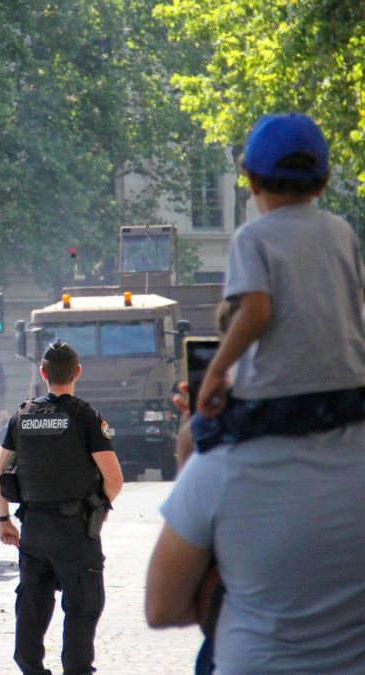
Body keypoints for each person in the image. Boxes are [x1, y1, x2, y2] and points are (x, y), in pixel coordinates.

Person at [146, 113, 365, 673]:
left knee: (196, 437)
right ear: (323, 179)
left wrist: (218, 372)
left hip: (276, 403)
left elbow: (258, 311)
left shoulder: (253, 237)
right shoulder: (341, 232)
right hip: (346, 392)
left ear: (249, 179)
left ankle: (218, 557)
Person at [0, 341, 123, 675]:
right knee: (82, 606)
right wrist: (100, 508)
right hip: (76, 530)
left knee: (32, 604)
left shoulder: (22, 415)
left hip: (34, 530)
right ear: (77, 372)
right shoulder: (86, 417)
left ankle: (31, 668)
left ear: (43, 373)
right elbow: (114, 478)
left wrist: (4, 520)